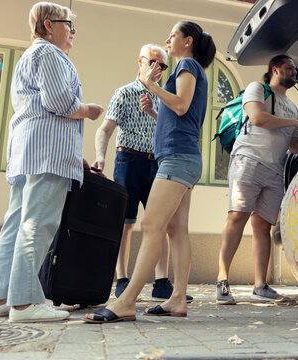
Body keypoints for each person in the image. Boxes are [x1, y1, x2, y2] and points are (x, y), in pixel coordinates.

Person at [84, 20, 216, 323]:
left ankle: (126, 301)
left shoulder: (186, 65)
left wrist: (150, 85)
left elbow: (181, 106)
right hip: (186, 157)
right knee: (176, 230)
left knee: (151, 226)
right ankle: (177, 299)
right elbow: (181, 116)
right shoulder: (193, 69)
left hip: (176, 159)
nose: (168, 40)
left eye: (173, 36)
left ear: (188, 41)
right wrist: (153, 110)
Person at [0, 1, 104, 322]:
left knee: (17, 223)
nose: (73, 31)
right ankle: (24, 303)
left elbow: (39, 107)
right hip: (47, 153)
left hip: (30, 151)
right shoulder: (50, 54)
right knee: (39, 223)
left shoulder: (30, 55)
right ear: (49, 25)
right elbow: (59, 102)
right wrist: (88, 110)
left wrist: (73, 154)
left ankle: (0, 298)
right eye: (68, 24)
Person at [216, 55, 298, 305]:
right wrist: (297, 122)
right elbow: (258, 118)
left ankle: (260, 286)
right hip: (248, 160)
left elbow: (293, 144)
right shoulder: (258, 89)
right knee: (237, 216)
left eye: (295, 69)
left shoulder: (291, 106)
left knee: (263, 227)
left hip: (274, 169)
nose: (294, 72)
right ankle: (222, 281)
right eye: (289, 68)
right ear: (275, 70)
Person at [92, 44, 192, 303]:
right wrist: (101, 157)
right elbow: (105, 129)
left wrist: (152, 110)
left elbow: (169, 129)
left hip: (158, 164)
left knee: (163, 223)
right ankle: (122, 279)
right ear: (140, 61)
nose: (157, 68)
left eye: (162, 64)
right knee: (125, 223)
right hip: (129, 160)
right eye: (153, 62)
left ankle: (161, 282)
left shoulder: (165, 94)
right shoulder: (124, 93)